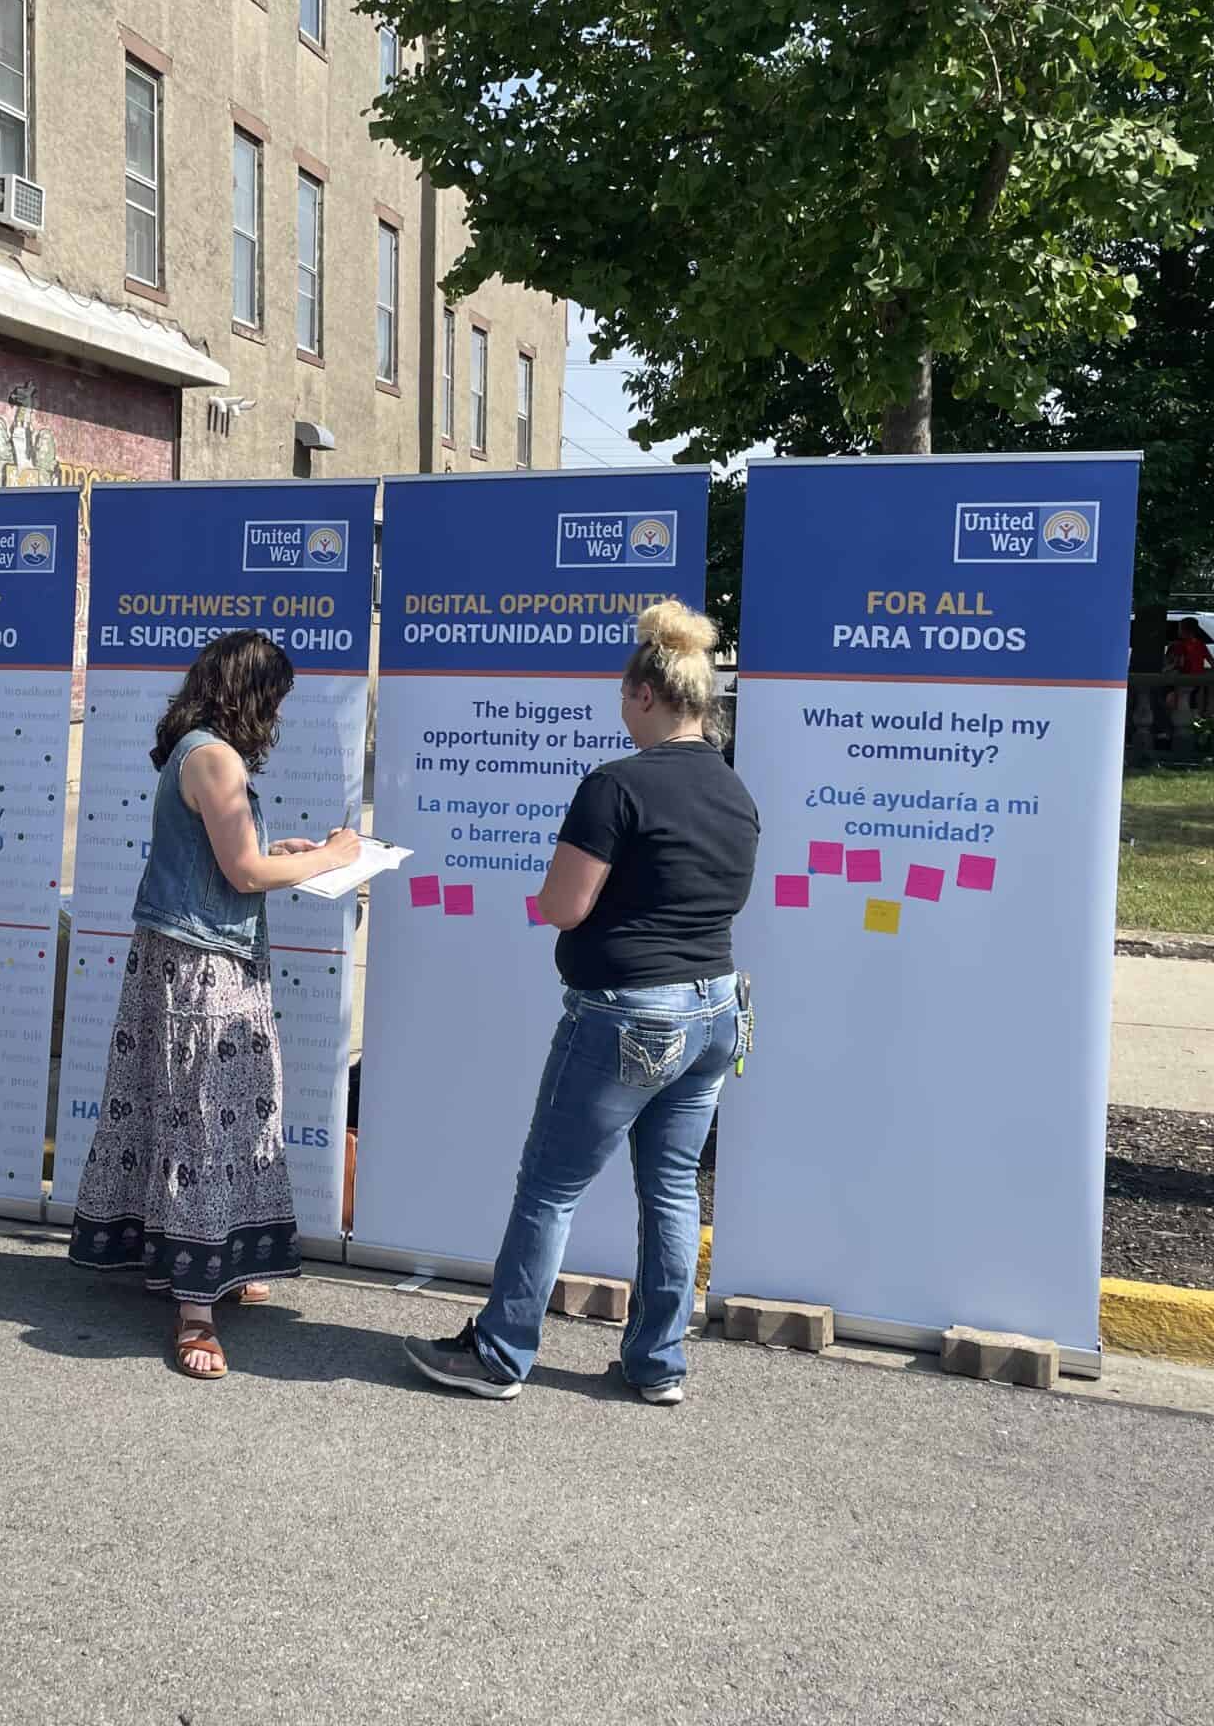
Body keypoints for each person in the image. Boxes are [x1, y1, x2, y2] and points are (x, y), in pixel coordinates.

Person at [404, 602, 760, 1406]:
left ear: (644, 694)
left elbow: (563, 906)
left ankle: (499, 1353)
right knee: (670, 1189)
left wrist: (546, 899)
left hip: (629, 1013)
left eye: (621, 696)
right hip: (715, 1011)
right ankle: (658, 1364)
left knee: (549, 1186)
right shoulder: (735, 791)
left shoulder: (615, 786)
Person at [67, 630, 362, 1379]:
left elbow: (229, 857)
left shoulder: (196, 750)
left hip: (192, 957)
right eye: (277, 700)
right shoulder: (215, 757)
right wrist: (335, 858)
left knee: (207, 1111)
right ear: (252, 694)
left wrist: (283, 853)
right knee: (206, 1117)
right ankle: (196, 1308)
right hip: (202, 967)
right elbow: (238, 874)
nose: (279, 716)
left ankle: (214, 1261)